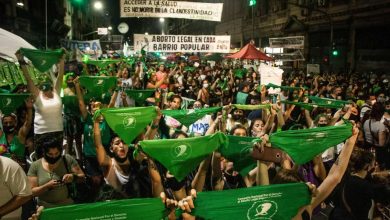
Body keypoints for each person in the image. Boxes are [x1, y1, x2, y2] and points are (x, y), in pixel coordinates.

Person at [271, 124, 359, 219]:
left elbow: (334, 177)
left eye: (302, 185)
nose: (308, 185)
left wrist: (350, 141)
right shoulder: (271, 216)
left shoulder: (306, 208)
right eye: (299, 189)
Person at [16, 50, 65, 158]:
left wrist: (61, 59)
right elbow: (28, 78)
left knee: (56, 159)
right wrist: (21, 60)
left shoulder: (56, 92)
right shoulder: (37, 95)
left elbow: (60, 75)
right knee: (42, 160)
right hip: (41, 133)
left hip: (58, 131)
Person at [330, 150, 390, 220]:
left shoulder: (347, 176)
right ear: (367, 166)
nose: (375, 165)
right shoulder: (364, 186)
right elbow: (385, 197)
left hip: (336, 216)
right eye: (374, 164)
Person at [27, 137, 85, 208]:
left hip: (67, 205)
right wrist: (46, 186)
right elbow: (32, 192)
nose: (54, 157)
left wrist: (73, 177)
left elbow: (82, 177)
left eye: (56, 153)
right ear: (44, 153)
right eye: (50, 154)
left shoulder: (67, 160)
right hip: (44, 207)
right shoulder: (35, 166)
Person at [0, 98, 33, 167]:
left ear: (15, 123)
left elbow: (28, 124)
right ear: (2, 124)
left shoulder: (20, 136)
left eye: (10, 122)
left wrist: (29, 109)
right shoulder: (0, 135)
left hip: (18, 169)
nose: (8, 125)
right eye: (5, 123)